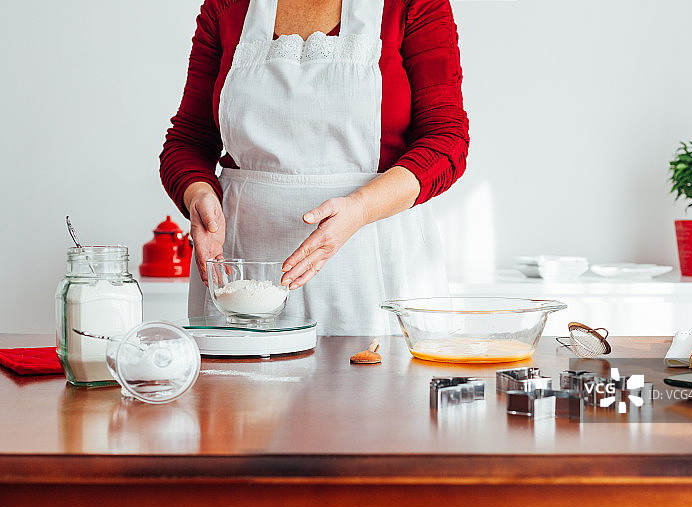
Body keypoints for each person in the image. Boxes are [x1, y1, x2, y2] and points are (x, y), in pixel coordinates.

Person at [160, 0, 469, 335]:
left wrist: (360, 208)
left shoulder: (412, 4)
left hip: (375, 263)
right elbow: (188, 140)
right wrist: (199, 196)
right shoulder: (226, 7)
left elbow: (446, 139)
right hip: (241, 270)